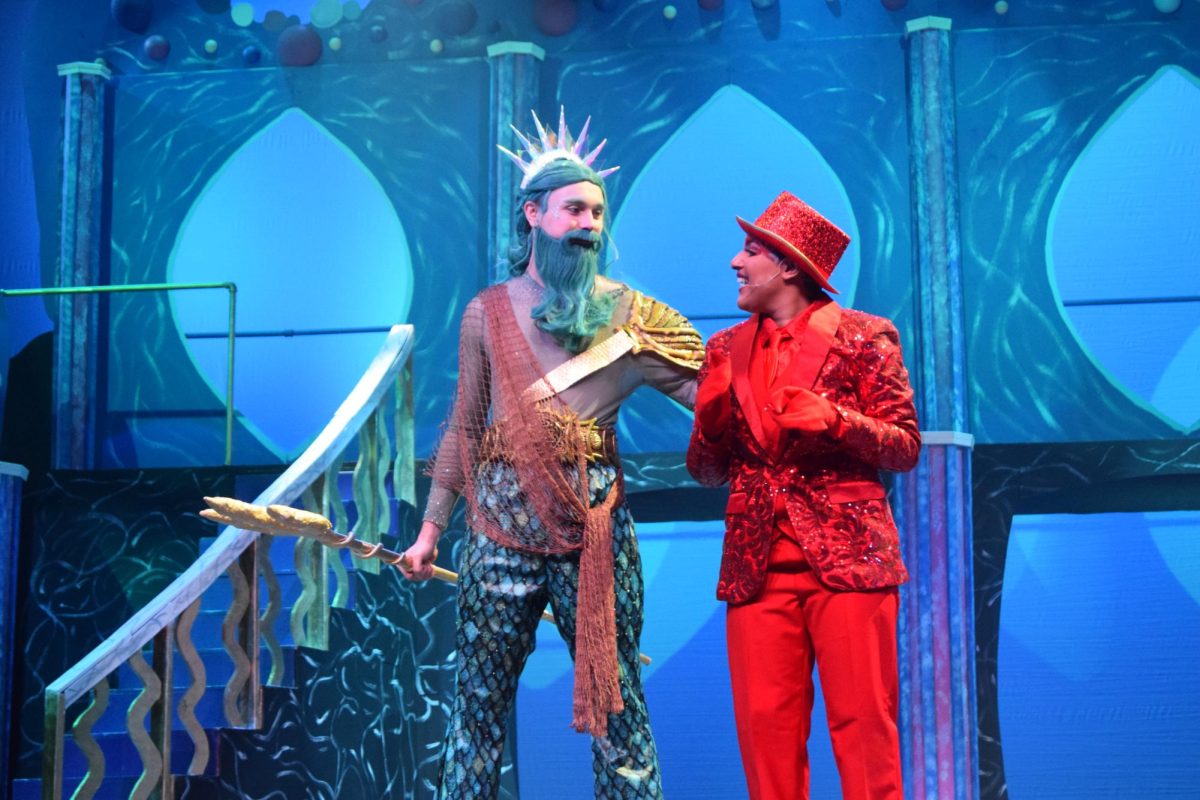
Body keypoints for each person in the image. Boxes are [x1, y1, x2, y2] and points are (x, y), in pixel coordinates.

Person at [400, 110, 703, 800]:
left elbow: (711, 392)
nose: (590, 222)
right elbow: (464, 428)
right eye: (574, 209)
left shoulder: (632, 315)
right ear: (533, 213)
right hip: (498, 526)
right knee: (475, 705)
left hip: (592, 524)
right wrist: (427, 533)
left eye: (597, 210)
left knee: (615, 700)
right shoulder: (487, 312)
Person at [686, 191, 921, 800]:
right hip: (757, 569)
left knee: (864, 730)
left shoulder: (865, 336)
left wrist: (837, 420)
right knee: (766, 736)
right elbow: (710, 472)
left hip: (848, 563)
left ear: (788, 266)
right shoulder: (725, 349)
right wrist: (710, 424)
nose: (736, 264)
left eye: (750, 251)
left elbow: (904, 446)